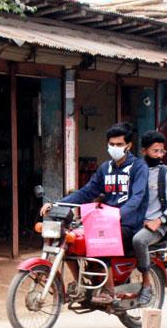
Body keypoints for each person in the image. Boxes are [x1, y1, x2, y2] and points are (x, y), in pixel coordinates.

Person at [41, 122, 149, 304]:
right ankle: (80, 283)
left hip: (128, 223)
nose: (115, 148)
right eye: (112, 144)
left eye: (119, 144)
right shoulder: (105, 168)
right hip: (105, 221)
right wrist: (57, 203)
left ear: (128, 145)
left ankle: (109, 290)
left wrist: (118, 215)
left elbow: (137, 198)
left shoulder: (139, 168)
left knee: (101, 239)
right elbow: (87, 192)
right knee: (70, 240)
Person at [135, 130, 167, 305]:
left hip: (156, 225)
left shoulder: (166, 174)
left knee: (139, 241)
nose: (159, 155)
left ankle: (146, 284)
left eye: (161, 151)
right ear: (144, 151)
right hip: (134, 222)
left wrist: (160, 220)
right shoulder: (134, 171)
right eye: (155, 151)